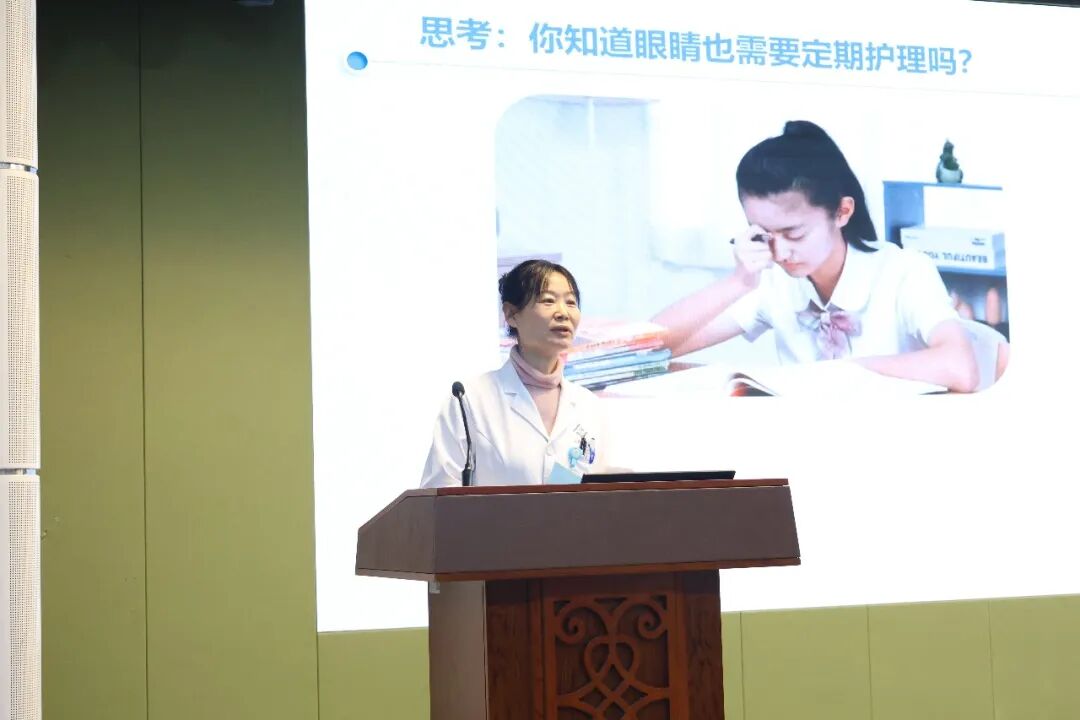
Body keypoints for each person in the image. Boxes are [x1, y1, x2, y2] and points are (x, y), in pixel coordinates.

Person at [652, 120, 979, 393]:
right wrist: (738, 282)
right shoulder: (773, 281)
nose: (780, 253)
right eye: (765, 235)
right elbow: (649, 350)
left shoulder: (904, 271)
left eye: (794, 233)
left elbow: (960, 367)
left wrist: (836, 374)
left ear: (842, 212)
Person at [420, 259, 608, 487]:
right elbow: (439, 493)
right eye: (548, 300)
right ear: (511, 314)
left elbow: (610, 490)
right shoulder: (469, 400)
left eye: (571, 302)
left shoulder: (589, 406)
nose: (563, 313)